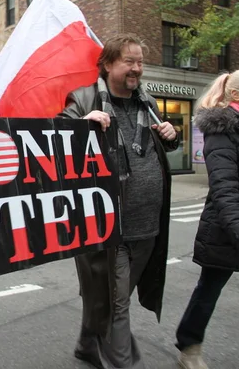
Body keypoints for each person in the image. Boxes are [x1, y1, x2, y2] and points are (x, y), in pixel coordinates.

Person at [59, 34, 178, 369]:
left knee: (116, 297)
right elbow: (56, 138)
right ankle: (125, 363)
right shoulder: (84, 99)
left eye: (140, 62)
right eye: (129, 61)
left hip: (148, 226)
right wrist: (83, 125)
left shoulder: (147, 102)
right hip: (109, 229)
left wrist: (171, 137)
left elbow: (154, 149)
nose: (137, 69)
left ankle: (86, 345)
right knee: (116, 305)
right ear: (108, 63)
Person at [175, 68, 239, 369]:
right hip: (229, 232)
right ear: (236, 95)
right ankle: (189, 349)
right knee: (208, 291)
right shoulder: (221, 132)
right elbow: (225, 192)